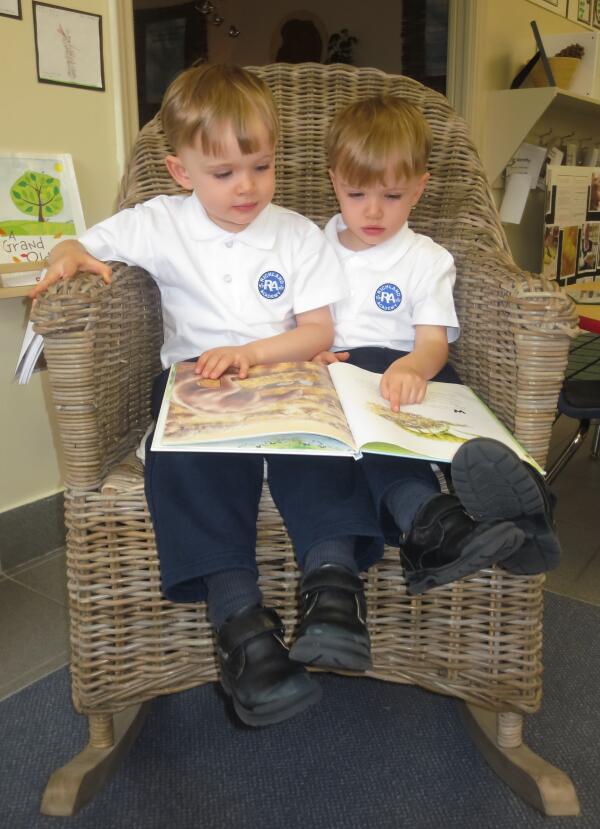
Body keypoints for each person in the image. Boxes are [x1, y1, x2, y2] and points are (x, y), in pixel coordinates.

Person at [29, 64, 385, 728]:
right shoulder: (159, 222)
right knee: (188, 465)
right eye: (223, 173)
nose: (246, 186)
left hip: (285, 375)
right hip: (198, 388)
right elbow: (82, 241)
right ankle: (241, 627)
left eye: (261, 166)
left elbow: (317, 330)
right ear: (181, 170)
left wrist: (254, 354)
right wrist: (68, 254)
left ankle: (334, 591)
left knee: (323, 450)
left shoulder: (298, 235)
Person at [281, 96, 561, 675]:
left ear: (421, 186)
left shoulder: (425, 258)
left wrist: (412, 366)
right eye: (358, 195)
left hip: (401, 372)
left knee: (388, 431)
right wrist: (311, 351)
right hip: (329, 371)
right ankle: (440, 526)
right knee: (330, 445)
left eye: (394, 195)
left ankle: (496, 512)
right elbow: (290, 320)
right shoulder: (307, 244)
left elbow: (434, 341)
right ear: (334, 181)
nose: (375, 211)